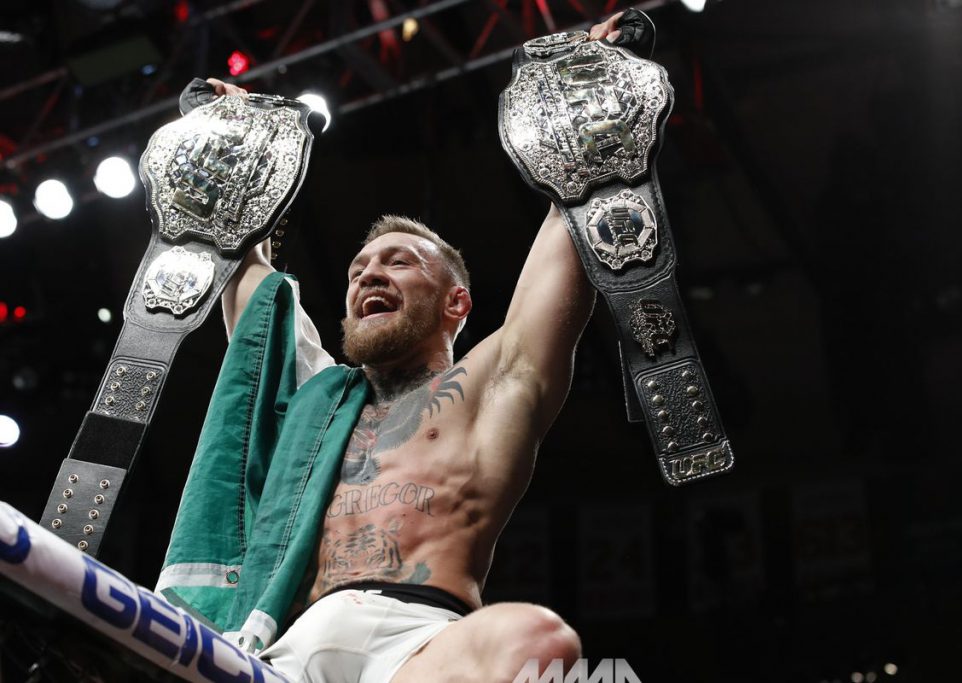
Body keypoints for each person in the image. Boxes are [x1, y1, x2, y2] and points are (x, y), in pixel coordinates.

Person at [163, 12, 631, 683]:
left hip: (422, 644)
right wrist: (236, 151)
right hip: (286, 642)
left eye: (400, 262)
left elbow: (572, 235)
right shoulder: (320, 401)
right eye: (359, 269)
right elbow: (252, 292)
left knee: (537, 638)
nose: (370, 273)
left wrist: (592, 100)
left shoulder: (495, 384)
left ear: (456, 303)